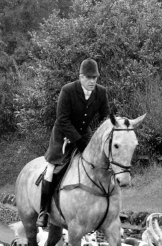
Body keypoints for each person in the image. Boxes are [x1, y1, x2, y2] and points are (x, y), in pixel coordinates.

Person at [37, 58, 112, 229]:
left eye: (95, 78)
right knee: (50, 171)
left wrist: (107, 132)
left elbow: (105, 117)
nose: (93, 81)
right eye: (89, 77)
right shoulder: (68, 90)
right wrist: (77, 140)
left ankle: (104, 206)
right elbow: (62, 119)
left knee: (99, 166)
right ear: (81, 77)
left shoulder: (101, 92)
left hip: (85, 136)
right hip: (62, 137)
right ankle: (44, 211)